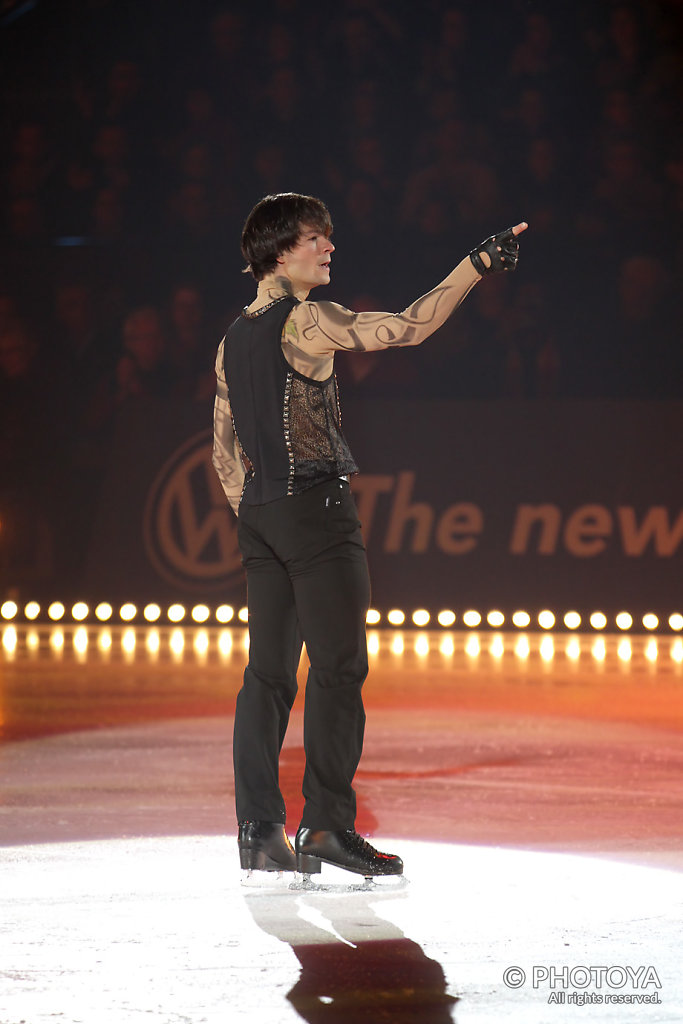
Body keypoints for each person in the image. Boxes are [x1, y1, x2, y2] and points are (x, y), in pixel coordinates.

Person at [212, 192, 527, 879]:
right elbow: (411, 327)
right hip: (316, 515)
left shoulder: (234, 334)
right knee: (337, 669)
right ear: (278, 251)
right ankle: (324, 826)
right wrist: (472, 266)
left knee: (266, 675)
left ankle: (258, 829)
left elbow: (223, 445)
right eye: (314, 239)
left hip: (261, 515)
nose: (328, 248)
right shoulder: (309, 319)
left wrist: (256, 510)